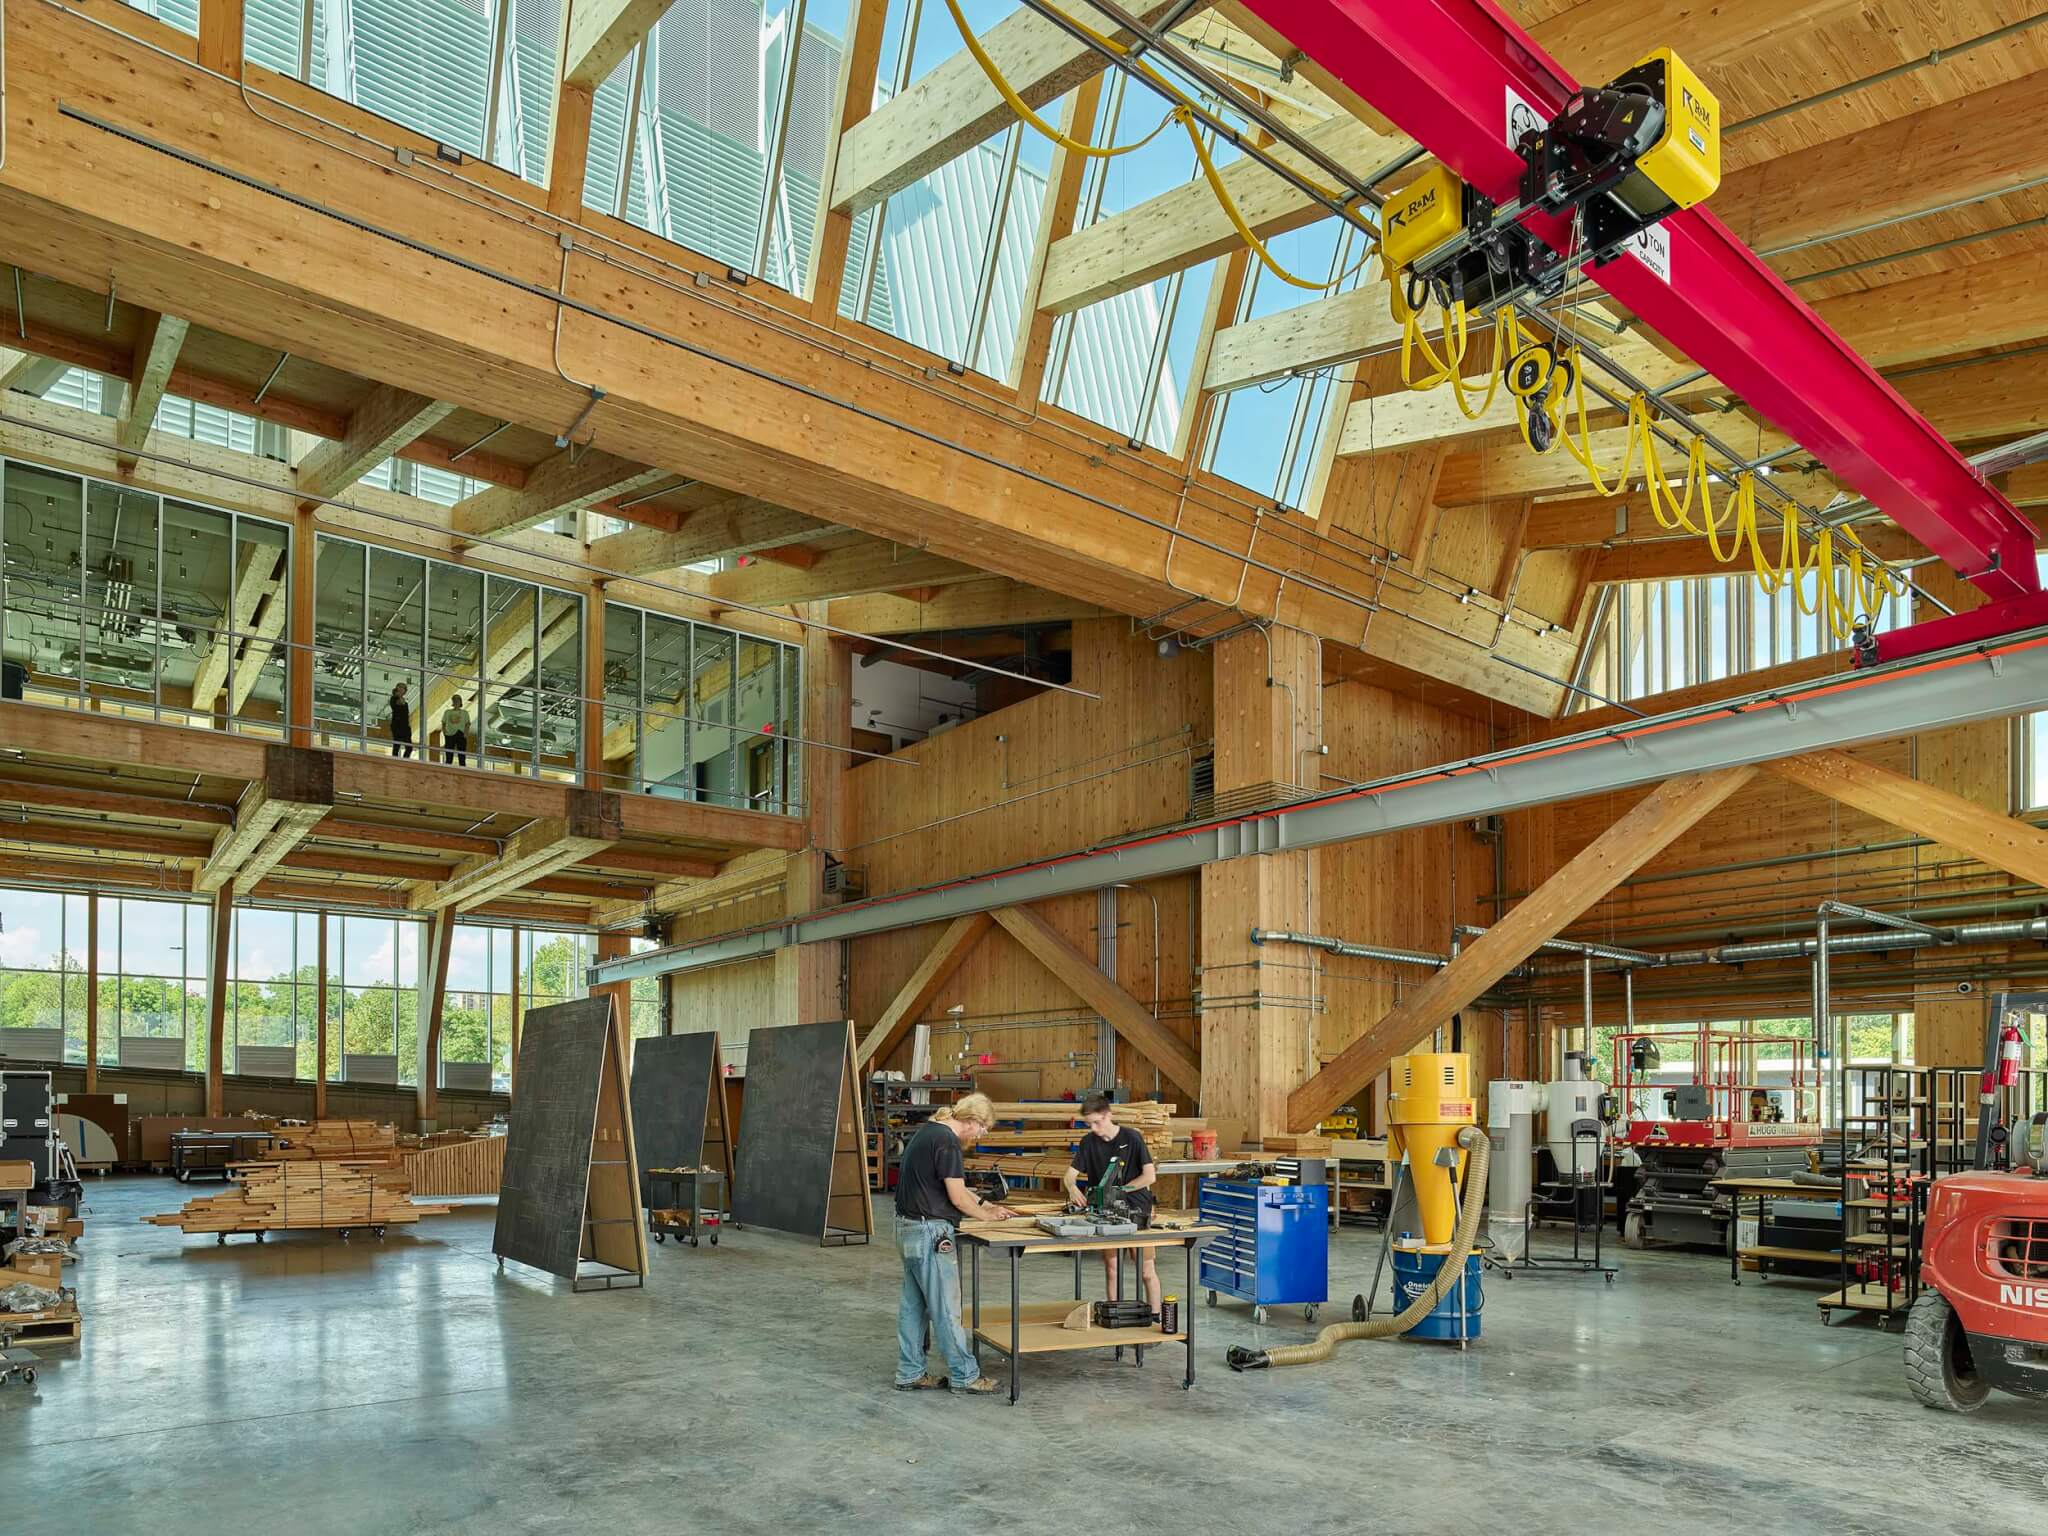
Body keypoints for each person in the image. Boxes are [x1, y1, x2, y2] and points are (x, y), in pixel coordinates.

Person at [893, 1091, 1014, 1394]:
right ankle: (966, 1375)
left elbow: (953, 1188)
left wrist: (986, 1205)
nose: (981, 1135)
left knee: (914, 1307)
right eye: (983, 1129)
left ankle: (909, 1372)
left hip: (908, 1228)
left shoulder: (929, 1132)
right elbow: (958, 1198)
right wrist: (986, 1219)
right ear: (972, 1121)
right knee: (947, 1309)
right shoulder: (948, 1143)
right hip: (930, 1234)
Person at [1063, 1093, 1162, 1317]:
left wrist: (1121, 1190)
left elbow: (1149, 1176)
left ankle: (1155, 1317)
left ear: (1109, 1115)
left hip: (1137, 1212)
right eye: (1089, 1124)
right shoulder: (1088, 1142)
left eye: (1098, 1122)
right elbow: (1069, 1175)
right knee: (1112, 1268)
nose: (1095, 1129)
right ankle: (1114, 1316)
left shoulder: (1132, 1137)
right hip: (1105, 1215)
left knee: (1146, 1270)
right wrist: (1071, 1187)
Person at [441, 695, 471, 767]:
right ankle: (448, 767)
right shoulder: (447, 712)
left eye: (458, 700)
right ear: (452, 702)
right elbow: (443, 723)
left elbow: (467, 723)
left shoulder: (464, 713)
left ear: (460, 702)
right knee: (449, 755)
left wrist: (466, 733)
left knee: (461, 754)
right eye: (454, 700)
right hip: (449, 734)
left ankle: (463, 768)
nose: (456, 702)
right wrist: (445, 732)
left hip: (460, 733)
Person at [387, 682, 414, 759]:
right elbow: (400, 703)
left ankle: (405, 760)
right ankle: (395, 760)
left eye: (404, 688)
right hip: (397, 725)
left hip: (405, 725)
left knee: (409, 747)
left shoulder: (403, 700)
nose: (402, 690)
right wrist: (398, 694)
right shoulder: (394, 698)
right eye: (400, 688)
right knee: (397, 746)